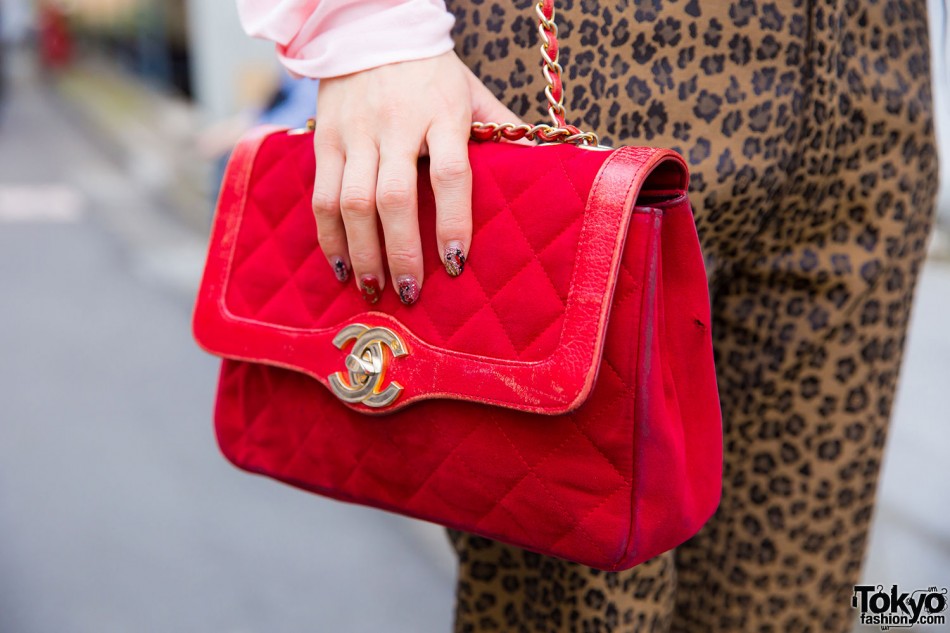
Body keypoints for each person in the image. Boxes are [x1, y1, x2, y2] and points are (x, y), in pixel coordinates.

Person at [236, 1, 939, 631]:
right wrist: (364, 26)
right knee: (582, 607)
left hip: (871, 69)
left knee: (795, 597)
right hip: (592, 51)